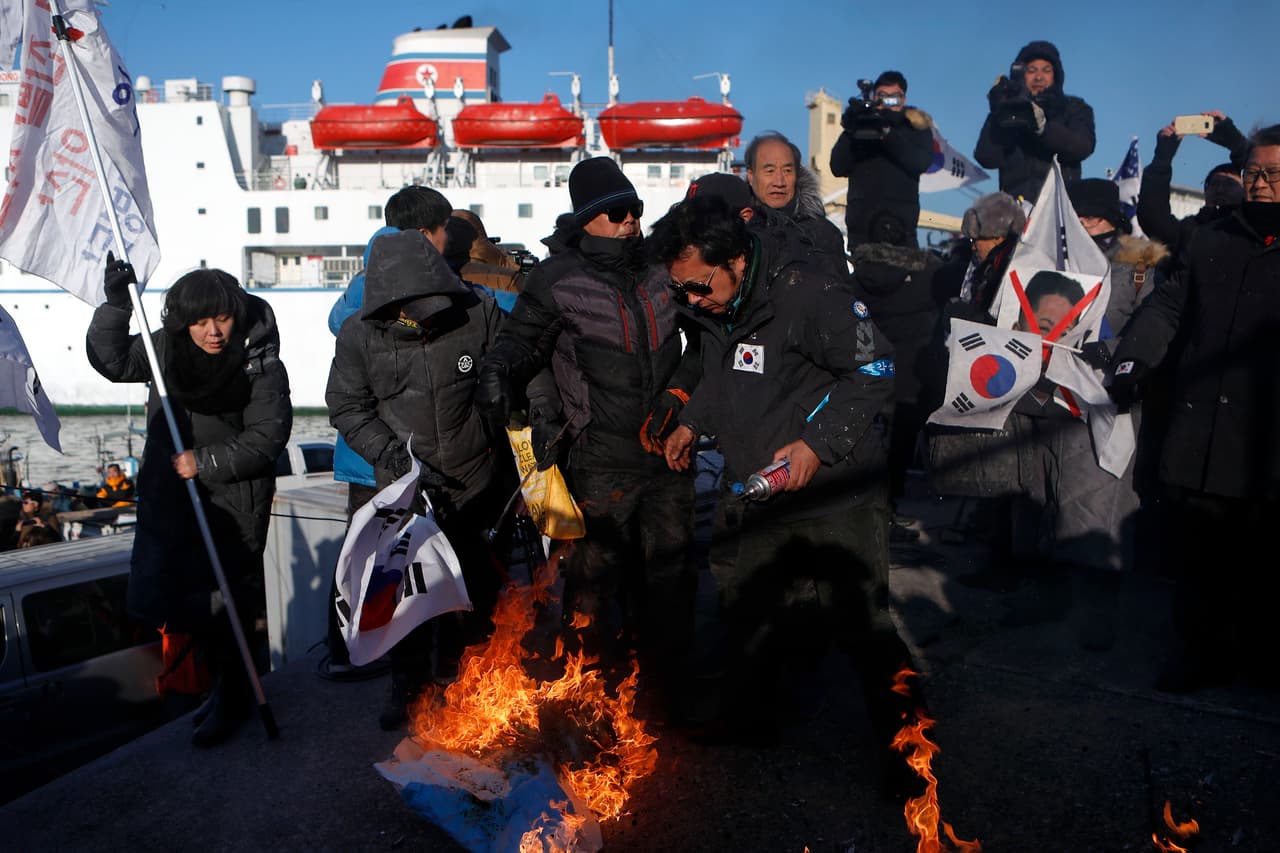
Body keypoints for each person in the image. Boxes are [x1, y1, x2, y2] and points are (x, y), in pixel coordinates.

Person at [649, 195, 925, 799]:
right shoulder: (716, 306)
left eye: (699, 286)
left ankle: (911, 752)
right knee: (752, 613)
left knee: (862, 628)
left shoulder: (807, 293)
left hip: (835, 491)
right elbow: (724, 379)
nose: (690, 300)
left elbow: (876, 368)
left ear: (737, 261)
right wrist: (693, 421)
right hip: (763, 489)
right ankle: (749, 721)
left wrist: (816, 446)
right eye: (682, 290)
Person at [473, 156, 698, 715]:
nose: (630, 222)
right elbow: (520, 344)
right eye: (616, 213)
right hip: (599, 459)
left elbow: (708, 339)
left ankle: (666, 697)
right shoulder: (558, 278)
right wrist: (497, 374)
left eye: (635, 210)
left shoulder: (661, 271)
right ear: (586, 220)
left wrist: (684, 403)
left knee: (670, 582)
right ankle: (591, 699)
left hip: (668, 455)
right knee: (592, 588)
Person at [86, 260, 293, 747]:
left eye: (221, 318)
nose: (212, 331)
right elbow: (112, 360)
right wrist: (117, 305)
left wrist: (205, 461)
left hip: (231, 504)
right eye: (199, 321)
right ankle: (221, 689)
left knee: (227, 609)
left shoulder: (258, 362)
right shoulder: (164, 351)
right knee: (184, 605)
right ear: (183, 322)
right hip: (173, 504)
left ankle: (237, 697)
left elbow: (268, 437)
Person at [1108, 124, 1280, 692]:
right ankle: (1197, 654)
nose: (1259, 185)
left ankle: (1257, 656)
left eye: (1273, 175)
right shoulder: (1208, 238)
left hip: (1269, 436)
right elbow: (1167, 309)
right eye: (1253, 172)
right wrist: (1133, 361)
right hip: (1205, 425)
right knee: (1201, 554)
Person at [326, 227, 511, 729]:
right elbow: (346, 405)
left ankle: (461, 675)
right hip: (402, 485)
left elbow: (514, 365)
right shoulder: (358, 335)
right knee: (399, 592)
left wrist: (509, 403)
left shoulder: (478, 313)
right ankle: (406, 683)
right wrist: (391, 456)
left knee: (467, 586)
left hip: (474, 475)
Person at [974, 41, 1095, 202]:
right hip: (1017, 211)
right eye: (1031, 70)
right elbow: (986, 158)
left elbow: (1083, 146)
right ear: (1021, 74)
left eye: (1046, 70)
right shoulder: (1007, 109)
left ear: (1056, 75)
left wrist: (1044, 128)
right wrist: (999, 115)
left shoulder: (1073, 108)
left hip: (1061, 207)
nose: (1039, 77)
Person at [829, 70, 935, 251]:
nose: (887, 103)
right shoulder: (860, 126)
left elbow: (919, 162)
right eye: (882, 97)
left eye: (894, 98)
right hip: (862, 232)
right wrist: (851, 128)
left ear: (904, 100)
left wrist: (886, 133)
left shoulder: (914, 129)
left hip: (901, 232)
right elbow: (838, 166)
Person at [1136, 111, 1248, 258]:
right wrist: (1162, 158)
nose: (1220, 189)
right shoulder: (1191, 231)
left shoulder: (1253, 229)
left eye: (1229, 184)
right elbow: (1153, 218)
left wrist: (1237, 143)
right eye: (1214, 184)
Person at [744, 132, 849, 277]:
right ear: (750, 176)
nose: (779, 182)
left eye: (787, 171)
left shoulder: (822, 234)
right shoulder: (738, 229)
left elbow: (838, 293)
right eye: (770, 171)